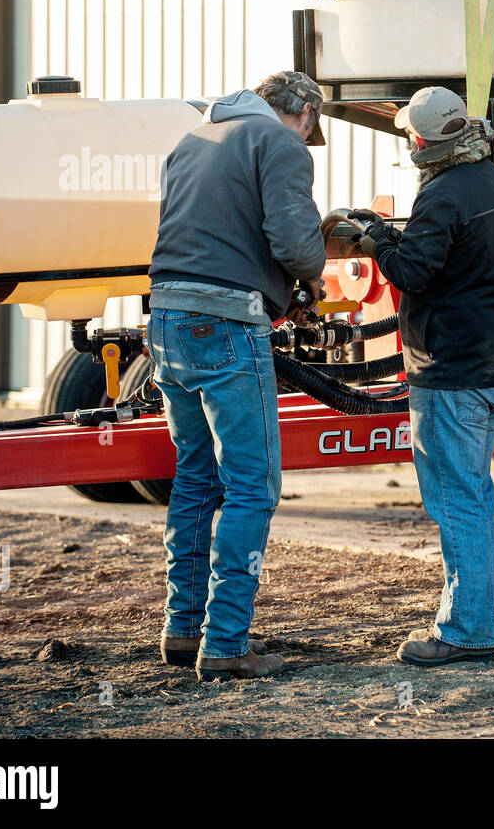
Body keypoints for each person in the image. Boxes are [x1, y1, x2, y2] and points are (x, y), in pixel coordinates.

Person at [146, 71, 327, 682]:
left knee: (196, 477)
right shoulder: (278, 142)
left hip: (167, 317)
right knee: (251, 485)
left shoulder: (193, 139)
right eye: (310, 127)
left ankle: (183, 627)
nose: (307, 136)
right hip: (227, 321)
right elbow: (297, 244)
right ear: (300, 110)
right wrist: (309, 277)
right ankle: (225, 645)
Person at [352, 86, 494, 667]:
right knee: (472, 494)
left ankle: (466, 632)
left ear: (423, 140)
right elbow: (463, 263)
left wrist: (377, 238)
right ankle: (471, 621)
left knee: (457, 501)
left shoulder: (443, 194)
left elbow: (414, 273)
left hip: (451, 371)